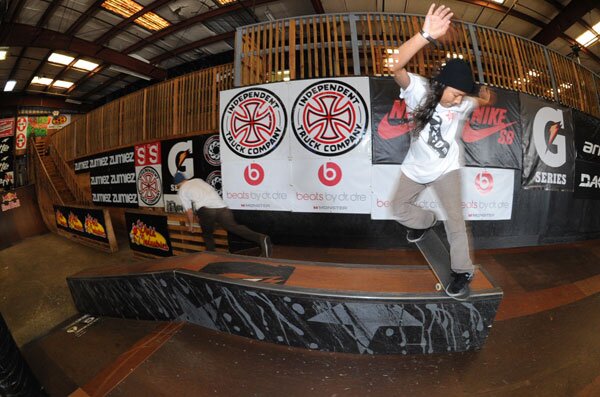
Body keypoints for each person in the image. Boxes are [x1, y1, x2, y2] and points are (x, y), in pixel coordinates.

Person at [388, 3, 493, 297]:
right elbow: (393, 65)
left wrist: (482, 98)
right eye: (456, 94)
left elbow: (478, 102)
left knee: (456, 221)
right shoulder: (418, 90)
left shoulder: (464, 102)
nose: (459, 101)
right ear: (442, 84)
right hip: (415, 167)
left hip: (446, 168)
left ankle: (462, 271)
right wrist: (425, 35)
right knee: (398, 209)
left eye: (462, 97)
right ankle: (425, 221)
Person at [173, 172, 272, 257]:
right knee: (235, 228)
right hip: (223, 208)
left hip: (206, 210)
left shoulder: (182, 190)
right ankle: (261, 238)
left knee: (207, 234)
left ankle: (211, 256)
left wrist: (191, 225)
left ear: (177, 184)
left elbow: (189, 211)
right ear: (185, 179)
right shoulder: (198, 180)